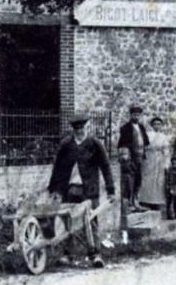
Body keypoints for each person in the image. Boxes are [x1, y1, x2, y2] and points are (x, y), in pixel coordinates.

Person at [47, 115, 115, 268]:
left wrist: (111, 189)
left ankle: (95, 255)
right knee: (68, 222)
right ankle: (68, 255)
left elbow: (106, 167)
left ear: (86, 127)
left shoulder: (95, 144)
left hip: (89, 190)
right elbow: (57, 167)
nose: (79, 131)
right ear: (73, 130)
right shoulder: (66, 145)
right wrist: (54, 189)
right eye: (76, 129)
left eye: (82, 128)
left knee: (91, 221)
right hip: (70, 189)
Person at [117, 105, 151, 212]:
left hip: (140, 158)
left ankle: (136, 202)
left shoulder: (141, 127)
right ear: (130, 115)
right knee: (128, 181)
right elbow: (122, 145)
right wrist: (125, 158)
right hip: (130, 159)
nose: (136, 116)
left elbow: (146, 142)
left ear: (140, 116)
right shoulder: (125, 128)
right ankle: (127, 205)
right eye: (134, 114)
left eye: (138, 115)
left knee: (138, 180)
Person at [140, 116, 171, 210]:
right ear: (152, 125)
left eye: (159, 124)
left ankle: (157, 202)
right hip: (148, 159)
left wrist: (166, 164)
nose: (157, 126)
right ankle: (146, 201)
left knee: (158, 181)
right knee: (147, 180)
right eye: (155, 124)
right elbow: (143, 147)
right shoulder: (147, 135)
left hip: (159, 161)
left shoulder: (163, 137)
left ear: (161, 126)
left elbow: (166, 151)